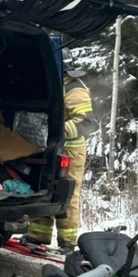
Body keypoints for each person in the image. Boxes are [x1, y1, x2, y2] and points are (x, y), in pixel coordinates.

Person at [23, 66, 95, 254]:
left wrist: (59, 132)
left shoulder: (74, 88)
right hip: (51, 147)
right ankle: (38, 235)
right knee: (44, 188)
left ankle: (67, 242)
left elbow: (87, 121)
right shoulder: (56, 85)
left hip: (70, 149)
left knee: (67, 192)